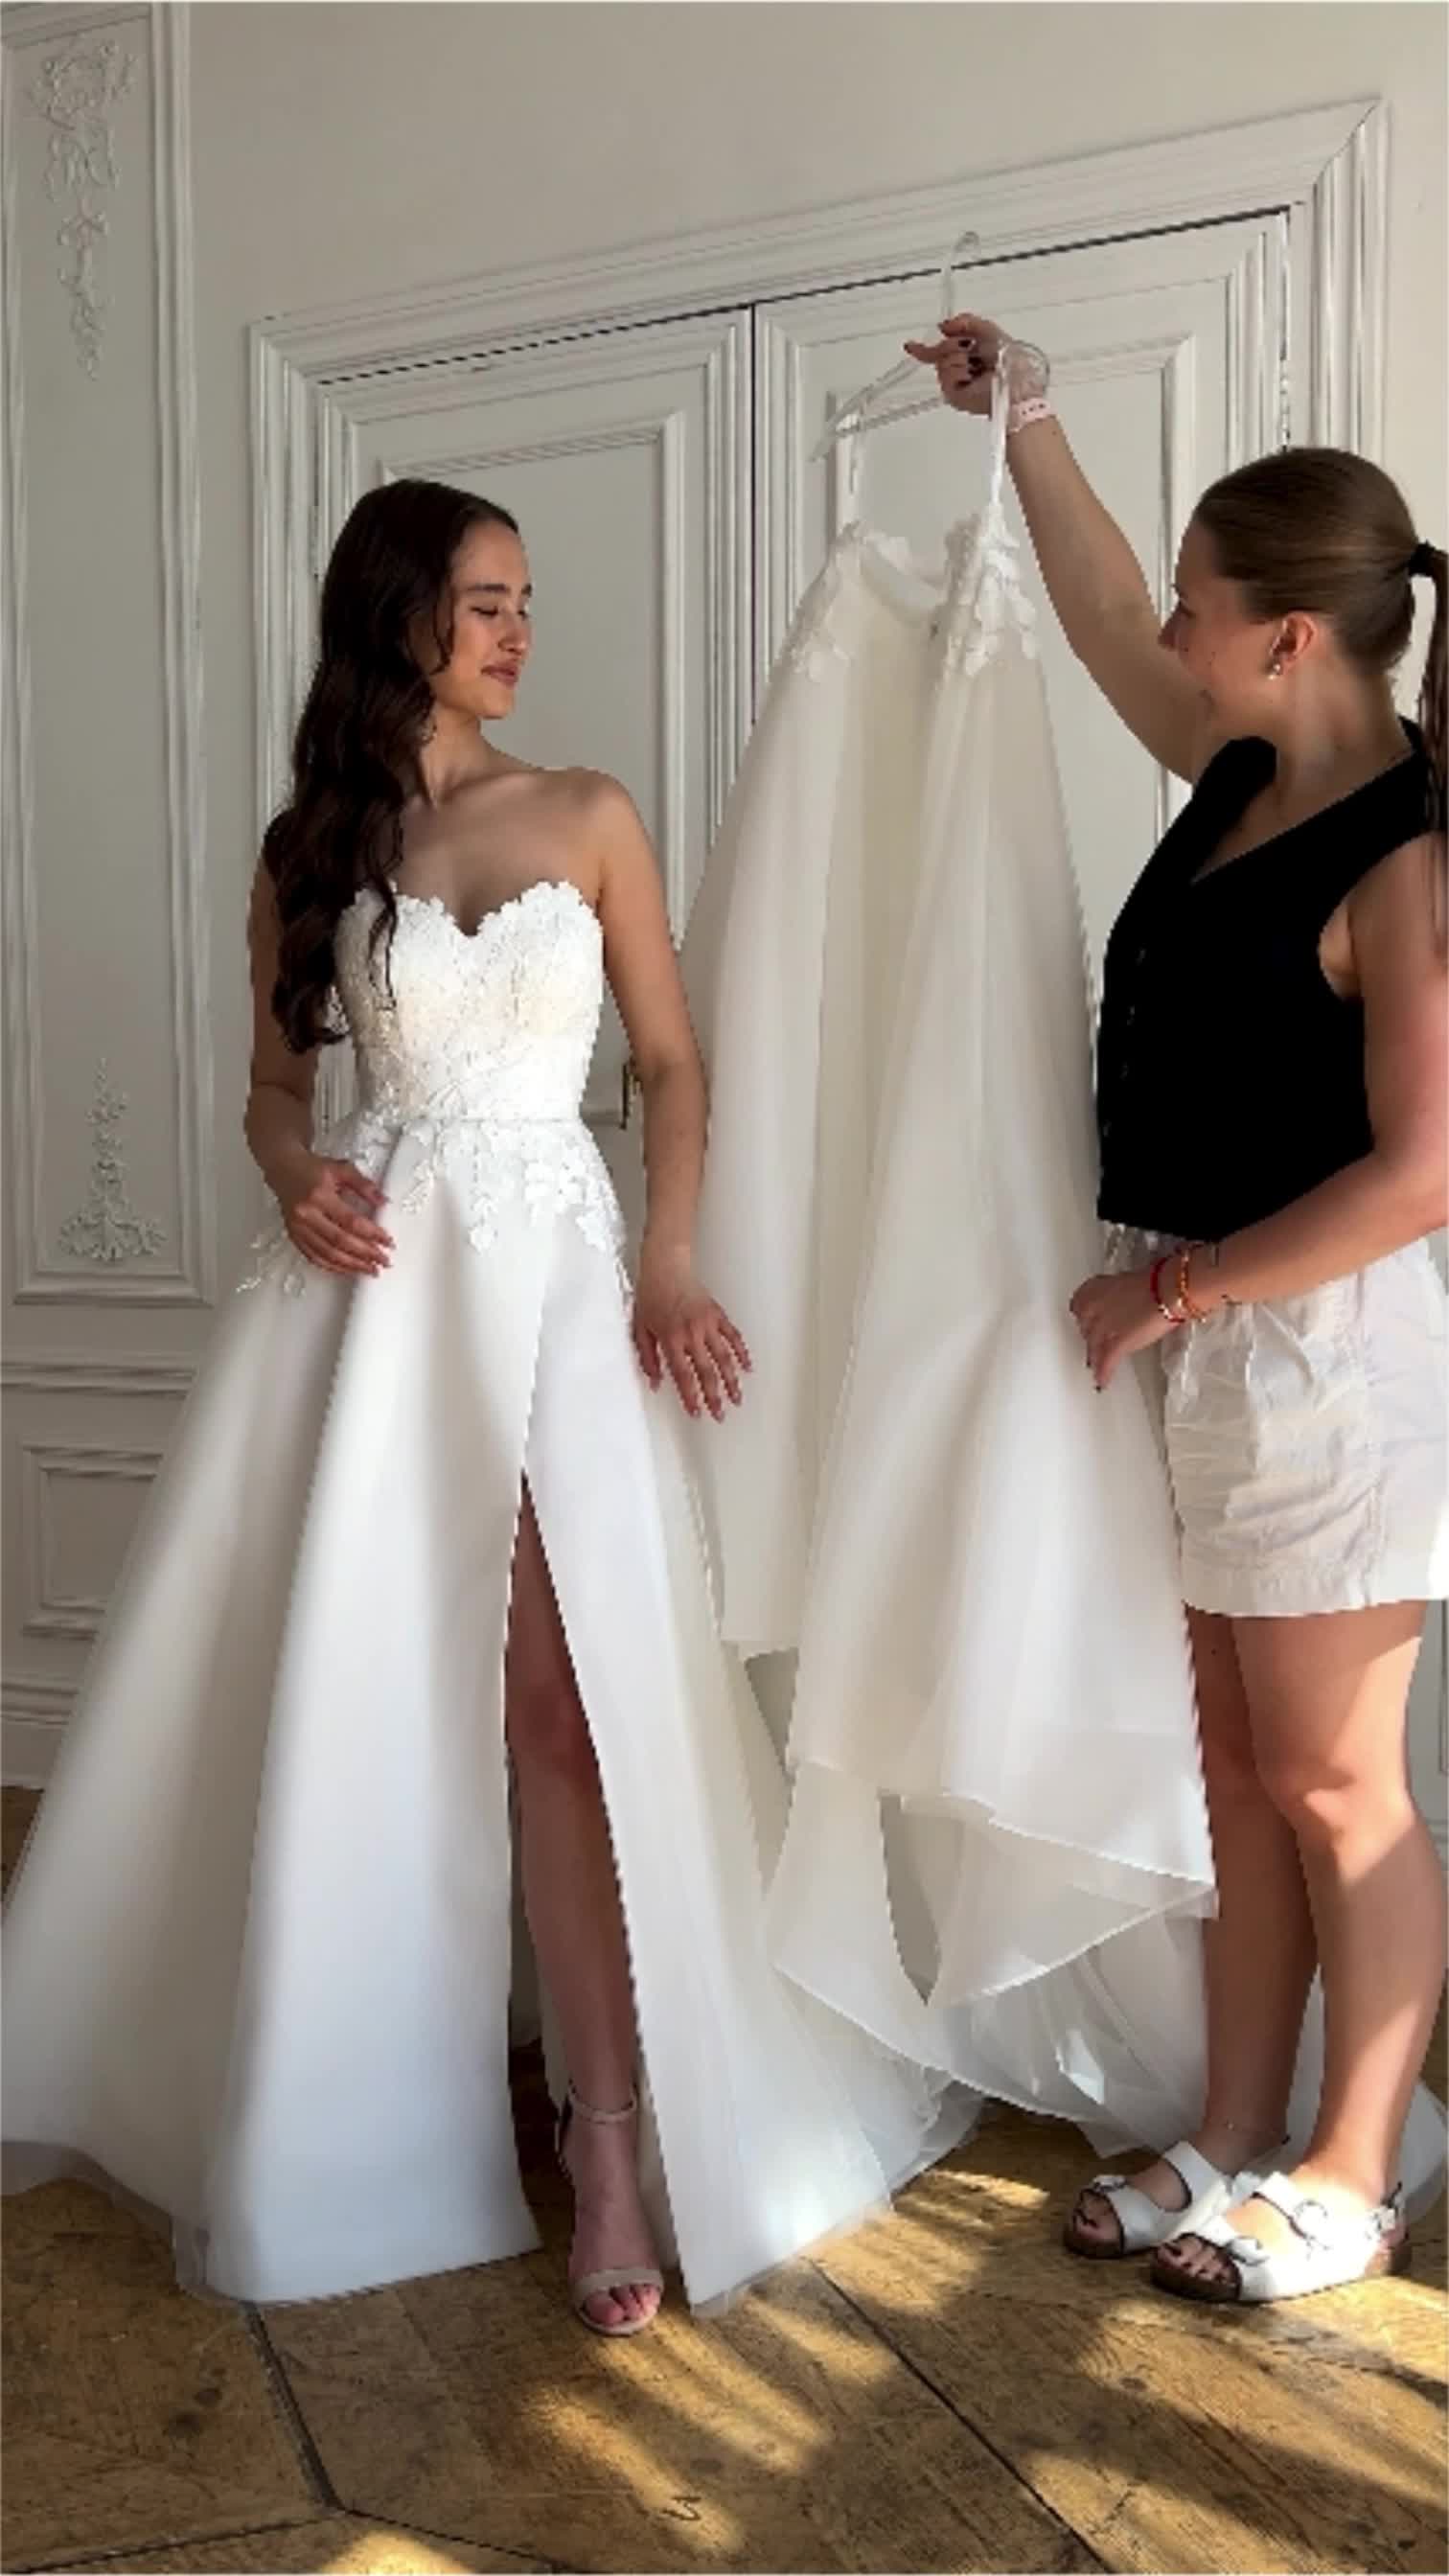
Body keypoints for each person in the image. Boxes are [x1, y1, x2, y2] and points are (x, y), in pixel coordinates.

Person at [3, 480, 953, 2337]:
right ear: (401, 617)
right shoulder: (312, 848)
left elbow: (674, 1066)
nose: (523, 635)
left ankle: (609, 2138)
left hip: (555, 1289)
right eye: (489, 603)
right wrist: (289, 1178)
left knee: (562, 1710)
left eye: (530, 601)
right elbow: (278, 1094)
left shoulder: (588, 814)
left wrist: (671, 1264)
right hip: (364, 1311)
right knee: (363, 1699)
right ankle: (359, 2107)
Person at [907, 315, 1448, 2303]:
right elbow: (1110, 605)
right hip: (1200, 1333)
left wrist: (1181, 1290)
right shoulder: (1234, 772)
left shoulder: (1411, 851)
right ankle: (1233, 2129)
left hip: (1321, 1352)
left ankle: (1354, 2167)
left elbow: (1425, 1171)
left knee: (1337, 1784)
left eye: (1214, 612)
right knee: (1233, 1781)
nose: (1183, 634)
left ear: (1293, 639)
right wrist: (1030, 420)